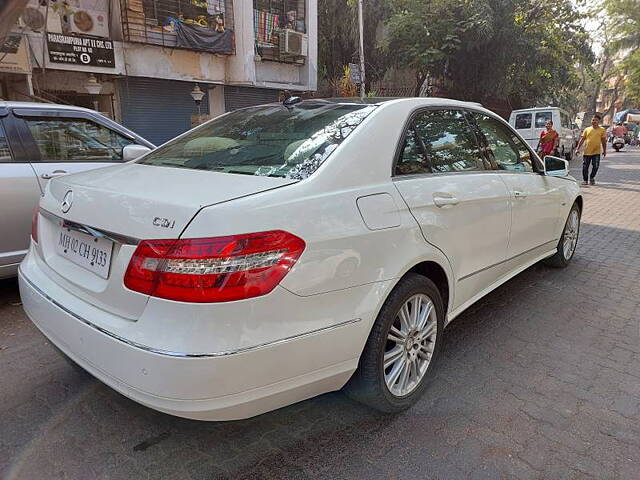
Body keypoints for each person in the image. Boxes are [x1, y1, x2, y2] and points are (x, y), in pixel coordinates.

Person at [576, 114, 607, 186]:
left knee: (596, 166)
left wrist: (604, 151)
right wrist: (577, 149)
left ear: (599, 121)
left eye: (596, 120)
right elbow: (582, 139)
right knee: (585, 167)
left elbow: (603, 141)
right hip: (586, 151)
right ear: (591, 121)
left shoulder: (602, 130)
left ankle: (592, 177)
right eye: (593, 120)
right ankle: (585, 180)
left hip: (596, 152)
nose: (594, 121)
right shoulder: (587, 129)